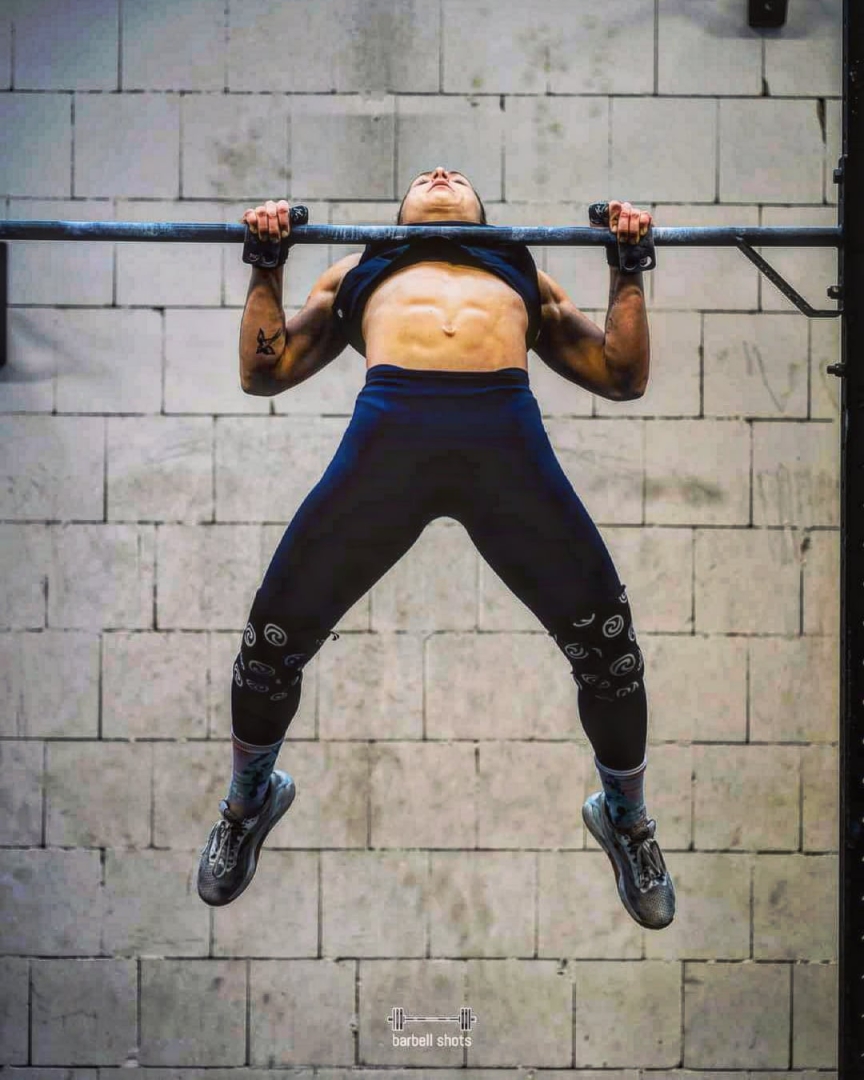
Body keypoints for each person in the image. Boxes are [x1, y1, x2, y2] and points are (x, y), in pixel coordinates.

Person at [197, 167, 675, 931]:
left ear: (482, 214)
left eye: (456, 177)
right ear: (400, 213)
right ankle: (248, 802)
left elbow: (623, 376)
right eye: (426, 177)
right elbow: (264, 371)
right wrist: (267, 260)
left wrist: (628, 266)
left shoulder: (520, 269)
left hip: (505, 451)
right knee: (270, 646)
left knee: (610, 654)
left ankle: (626, 818)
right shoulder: (359, 268)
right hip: (388, 447)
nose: (442, 175)